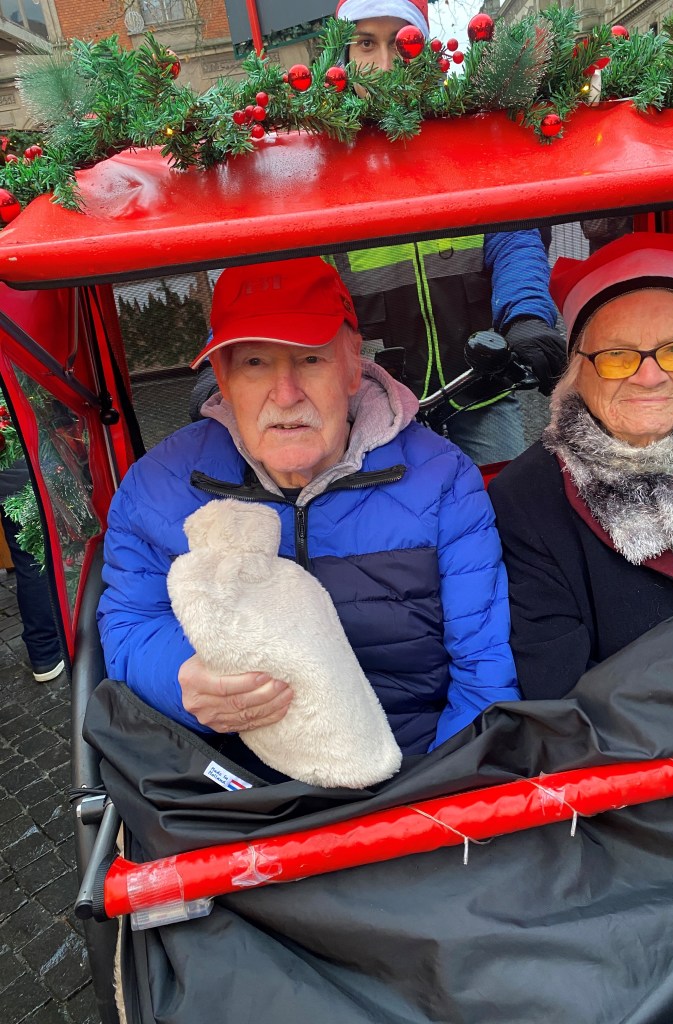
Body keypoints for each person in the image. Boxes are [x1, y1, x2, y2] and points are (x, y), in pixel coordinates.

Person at [98, 257, 519, 758]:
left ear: (351, 368)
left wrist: (439, 799)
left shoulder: (442, 480)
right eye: (255, 363)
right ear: (223, 379)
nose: (286, 394)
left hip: (415, 766)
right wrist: (180, 676)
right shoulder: (159, 487)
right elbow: (128, 624)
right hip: (234, 779)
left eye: (310, 359)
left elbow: (484, 672)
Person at [488, 232, 673, 700]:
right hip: (621, 764)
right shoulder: (527, 497)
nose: (651, 374)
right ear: (579, 372)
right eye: (618, 355)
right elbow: (556, 688)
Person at [331, 0, 564, 465]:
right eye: (365, 43)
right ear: (340, 59)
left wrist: (526, 317)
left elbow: (511, 234)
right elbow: (287, 274)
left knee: (505, 500)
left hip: (480, 386)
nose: (384, 64)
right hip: (372, 405)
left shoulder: (464, 144)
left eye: (402, 43)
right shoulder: (323, 163)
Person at [0, 462, 64, 682]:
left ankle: (45, 650)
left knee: (27, 555)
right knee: (32, 557)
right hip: (15, 463)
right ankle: (46, 651)